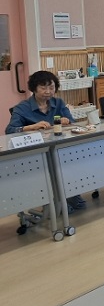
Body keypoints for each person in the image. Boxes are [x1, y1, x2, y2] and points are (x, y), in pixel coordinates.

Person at [5, 70, 87, 211]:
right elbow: (10, 130)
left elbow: (72, 122)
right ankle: (54, 202)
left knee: (72, 163)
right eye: (43, 88)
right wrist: (31, 127)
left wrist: (66, 121)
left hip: (59, 149)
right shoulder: (22, 107)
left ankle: (69, 195)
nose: (48, 91)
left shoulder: (58, 103)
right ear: (34, 88)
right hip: (36, 154)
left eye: (51, 87)